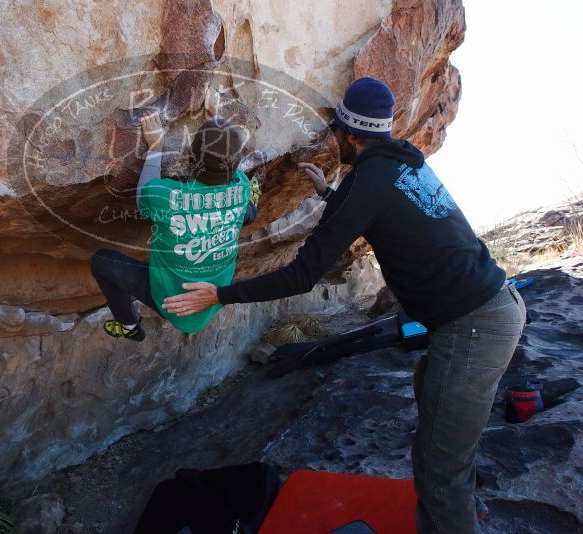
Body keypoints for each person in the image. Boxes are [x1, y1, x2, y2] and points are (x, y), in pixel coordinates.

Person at [162, 77, 527, 533]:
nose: (334, 138)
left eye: (336, 130)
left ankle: (456, 520)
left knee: (438, 463)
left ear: (351, 135)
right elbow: (389, 214)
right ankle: (465, 508)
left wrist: (222, 293)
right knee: (438, 414)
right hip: (491, 308)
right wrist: (328, 194)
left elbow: (301, 275)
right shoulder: (404, 161)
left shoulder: (365, 182)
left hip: (474, 326)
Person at [90, 87, 260, 341]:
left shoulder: (167, 197)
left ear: (190, 158)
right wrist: (214, 117)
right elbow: (228, 163)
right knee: (245, 210)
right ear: (235, 167)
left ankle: (128, 326)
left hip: (168, 301)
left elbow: (143, 195)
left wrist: (156, 146)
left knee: (101, 261)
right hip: (213, 297)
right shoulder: (241, 186)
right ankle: (250, 211)